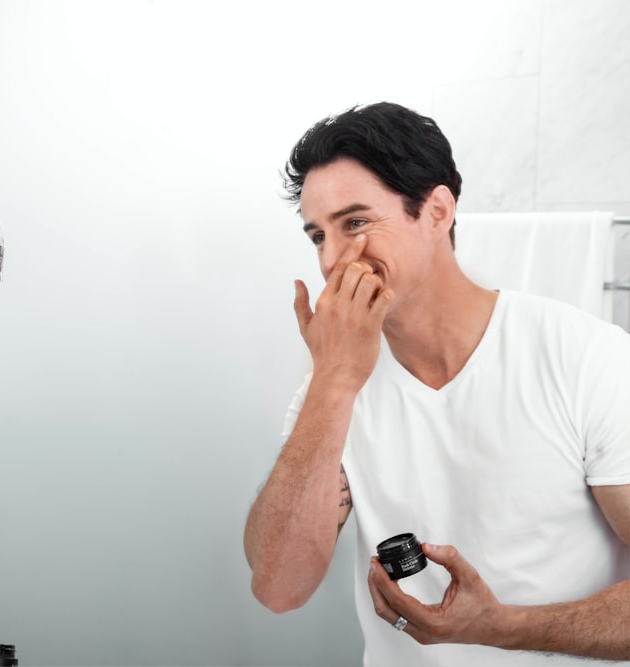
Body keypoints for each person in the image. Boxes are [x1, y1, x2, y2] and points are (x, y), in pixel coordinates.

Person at [243, 102, 630, 665]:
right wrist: (333, 381)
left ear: (438, 211)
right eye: (317, 236)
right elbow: (278, 587)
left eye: (354, 223)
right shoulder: (336, 381)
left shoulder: (585, 358)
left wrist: (502, 628)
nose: (333, 260)